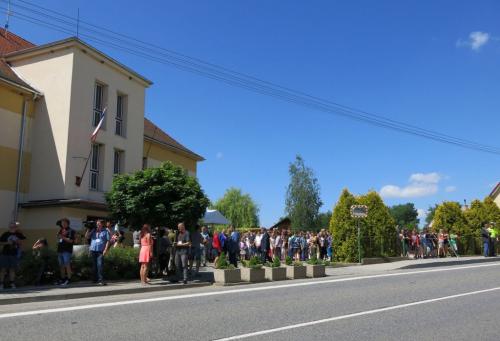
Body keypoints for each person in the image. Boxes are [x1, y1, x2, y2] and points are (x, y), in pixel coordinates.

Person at [0, 222, 26, 289]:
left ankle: (12, 283)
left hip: (14, 254)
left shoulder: (18, 234)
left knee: (12, 269)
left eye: (14, 227)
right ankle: (1, 284)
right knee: (3, 269)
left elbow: (23, 240)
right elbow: (0, 242)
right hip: (5, 253)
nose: (12, 228)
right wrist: (7, 243)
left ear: (16, 227)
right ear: (9, 227)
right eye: (11, 227)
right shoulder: (5, 234)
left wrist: (18, 241)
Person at [85, 220, 111, 285]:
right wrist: (88, 229)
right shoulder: (93, 230)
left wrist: (105, 249)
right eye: (97, 224)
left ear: (102, 224)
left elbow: (108, 241)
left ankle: (101, 280)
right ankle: (94, 279)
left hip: (100, 251)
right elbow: (87, 237)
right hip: (93, 250)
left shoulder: (105, 231)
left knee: (100, 265)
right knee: (94, 266)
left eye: (99, 224)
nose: (97, 225)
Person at [56, 218, 75, 286]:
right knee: (61, 265)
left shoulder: (71, 230)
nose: (62, 224)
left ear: (67, 223)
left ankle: (69, 279)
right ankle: (63, 279)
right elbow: (58, 239)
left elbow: (71, 241)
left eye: (64, 223)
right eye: (62, 223)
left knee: (67, 265)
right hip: (60, 250)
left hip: (67, 251)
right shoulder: (60, 230)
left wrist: (63, 237)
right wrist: (58, 237)